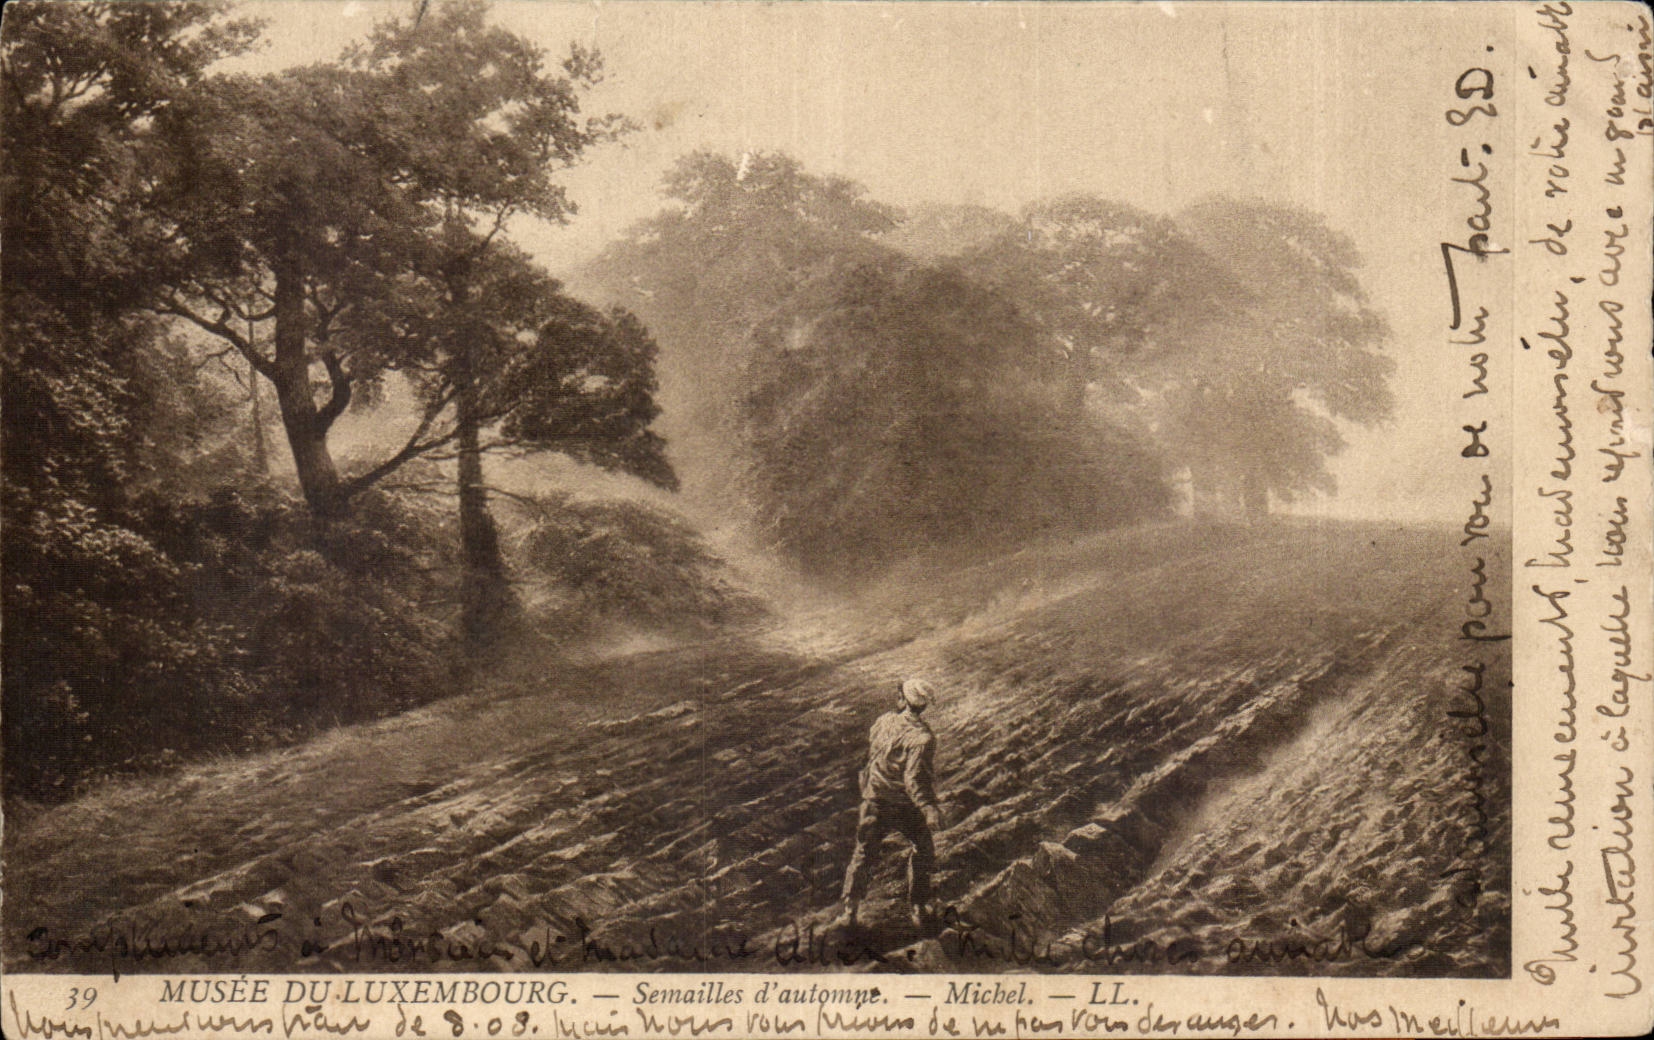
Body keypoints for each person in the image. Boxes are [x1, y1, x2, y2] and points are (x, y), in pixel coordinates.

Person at [838, 677, 944, 931]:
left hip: (874, 798)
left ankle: (849, 913)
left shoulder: (883, 721)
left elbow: (874, 753)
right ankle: (918, 907)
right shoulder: (923, 737)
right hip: (902, 805)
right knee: (923, 849)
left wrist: (868, 784)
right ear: (924, 706)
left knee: (863, 854)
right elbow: (914, 778)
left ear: (903, 699)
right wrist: (929, 808)